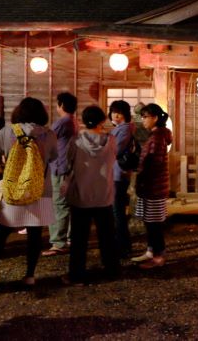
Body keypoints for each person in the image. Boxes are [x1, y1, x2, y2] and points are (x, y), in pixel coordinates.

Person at [0, 97, 58, 288]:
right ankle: (29, 276)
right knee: (34, 235)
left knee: (0, 235)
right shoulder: (49, 134)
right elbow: (54, 156)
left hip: (13, 189)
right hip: (40, 190)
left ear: (18, 112)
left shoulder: (8, 131)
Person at [62, 106, 120, 285]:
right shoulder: (111, 140)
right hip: (104, 194)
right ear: (102, 121)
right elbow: (114, 158)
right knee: (108, 237)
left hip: (81, 195)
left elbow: (68, 163)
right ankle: (112, 270)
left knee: (79, 239)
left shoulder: (76, 141)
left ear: (83, 120)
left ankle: (77, 275)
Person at [132, 104, 172, 269]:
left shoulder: (156, 137)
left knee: (154, 224)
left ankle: (158, 256)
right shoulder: (158, 135)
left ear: (155, 117)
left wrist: (141, 177)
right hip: (153, 185)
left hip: (153, 186)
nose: (143, 120)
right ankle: (151, 251)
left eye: (145, 116)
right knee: (150, 222)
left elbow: (153, 163)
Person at [42, 92, 78, 257]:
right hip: (67, 167)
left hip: (59, 168)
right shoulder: (73, 121)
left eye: (57, 103)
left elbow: (46, 140)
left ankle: (58, 242)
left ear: (61, 105)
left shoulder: (62, 122)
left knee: (59, 205)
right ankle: (69, 238)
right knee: (66, 204)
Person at [109, 100, 135, 258]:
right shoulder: (121, 128)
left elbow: (115, 150)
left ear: (125, 114)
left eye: (118, 112)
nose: (115, 115)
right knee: (117, 211)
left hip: (118, 174)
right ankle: (121, 245)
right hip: (117, 173)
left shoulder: (124, 129)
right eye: (113, 112)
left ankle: (123, 246)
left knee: (117, 211)